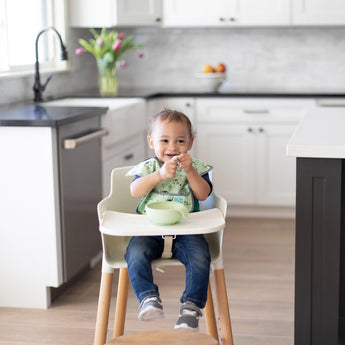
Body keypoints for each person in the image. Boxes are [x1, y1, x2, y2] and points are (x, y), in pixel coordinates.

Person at [125, 109, 213, 332]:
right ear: (151, 142)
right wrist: (159, 175)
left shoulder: (196, 168)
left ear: (190, 143)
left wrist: (191, 171)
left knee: (201, 257)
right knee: (134, 253)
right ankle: (148, 299)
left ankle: (191, 308)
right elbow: (135, 190)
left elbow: (203, 194)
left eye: (180, 141)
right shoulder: (149, 168)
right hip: (150, 232)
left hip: (187, 231)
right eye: (164, 140)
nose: (172, 147)